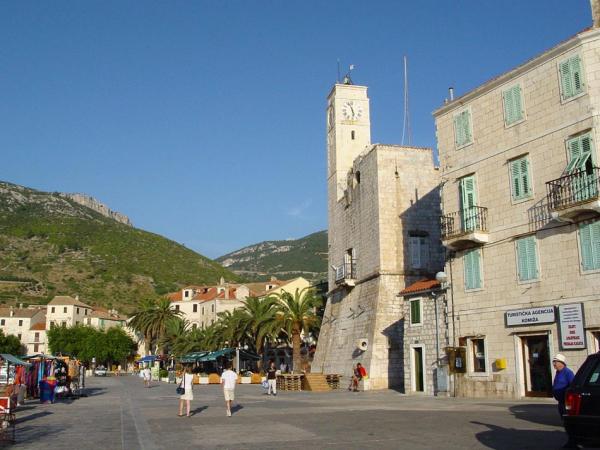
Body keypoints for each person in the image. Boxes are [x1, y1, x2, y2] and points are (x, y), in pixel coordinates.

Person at [552, 353, 576, 448]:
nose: (554, 364)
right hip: (561, 402)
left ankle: (572, 442)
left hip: (567, 402)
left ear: (561, 363)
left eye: (555, 362)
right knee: (565, 422)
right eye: (553, 362)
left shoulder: (568, 373)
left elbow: (573, 386)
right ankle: (570, 440)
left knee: (569, 423)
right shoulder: (558, 372)